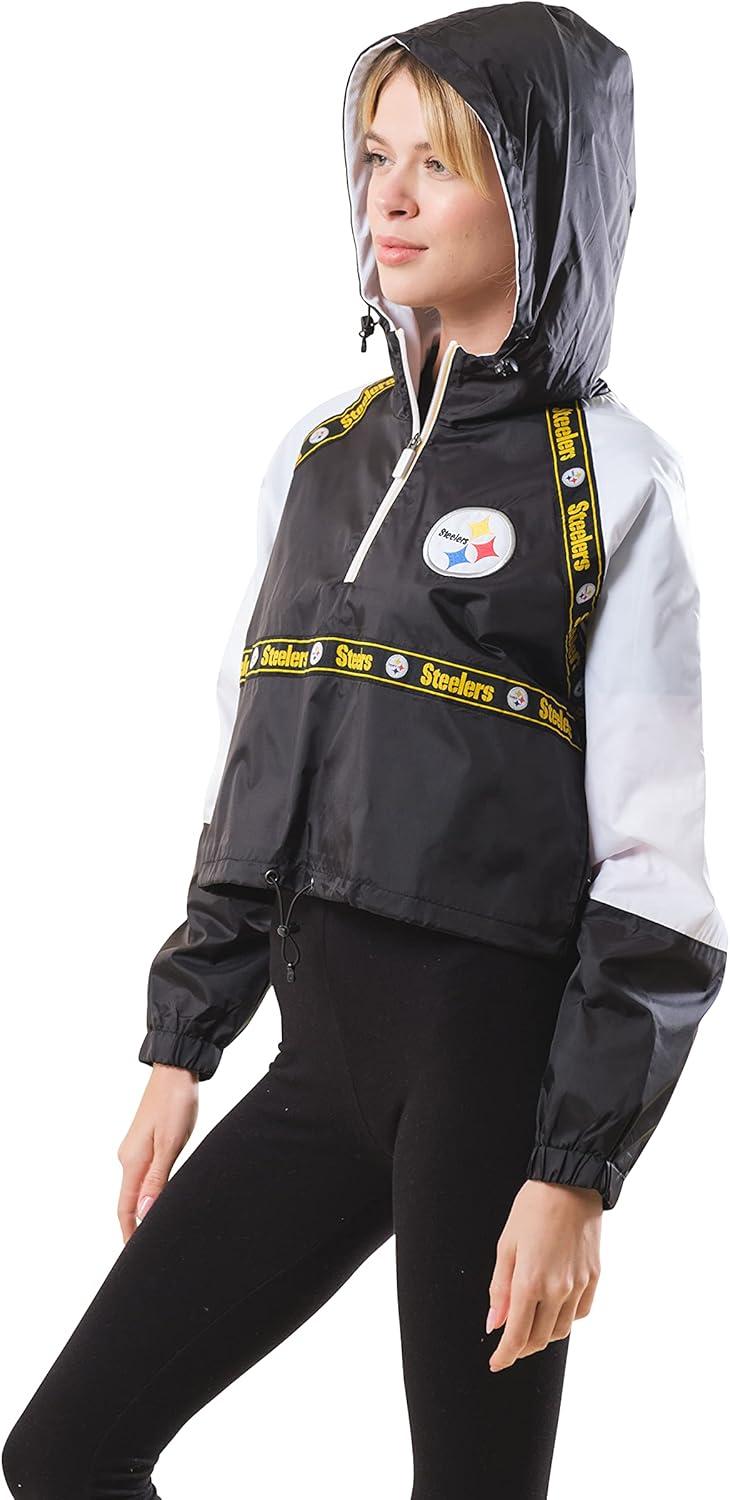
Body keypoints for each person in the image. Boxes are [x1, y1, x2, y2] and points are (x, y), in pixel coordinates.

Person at [3, 5, 726, 1497]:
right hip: (319, 1055)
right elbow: (254, 766)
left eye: (437, 165)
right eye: (372, 156)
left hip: (489, 1074)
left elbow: (656, 863)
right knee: (64, 1454)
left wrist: (575, 1170)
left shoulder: (610, 479)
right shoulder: (319, 456)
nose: (386, 197)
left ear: (542, 196)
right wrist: (182, 1043)